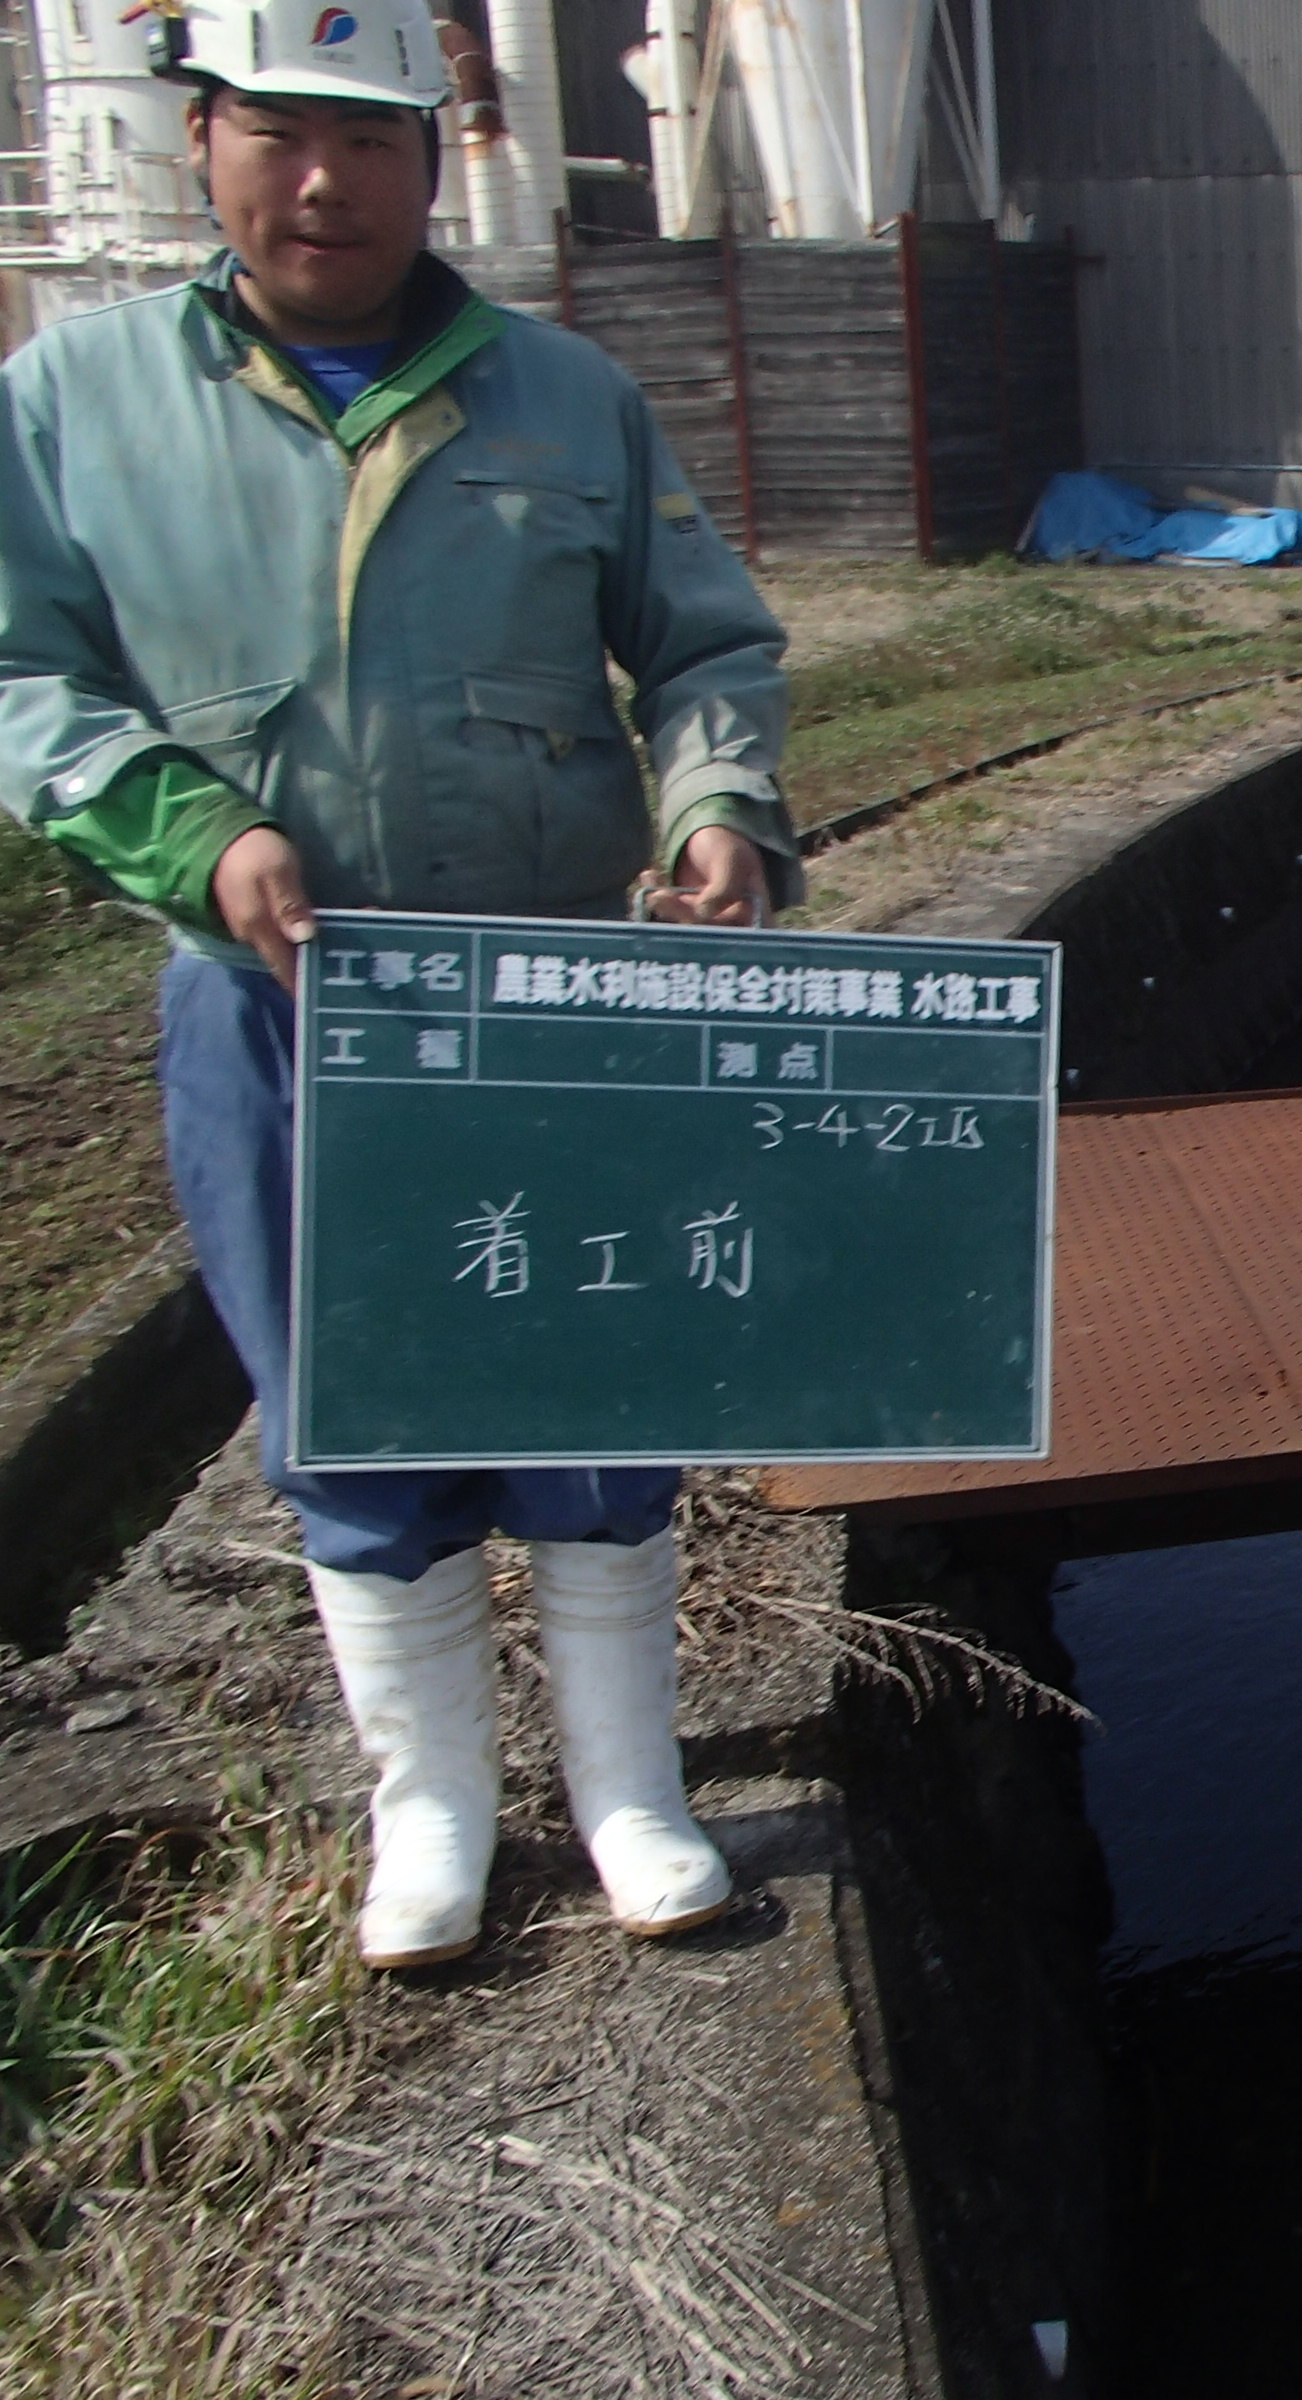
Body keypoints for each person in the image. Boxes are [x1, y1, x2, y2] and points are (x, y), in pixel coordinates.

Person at [0, 0, 798, 1969]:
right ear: (200, 139)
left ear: (435, 163)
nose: (323, 181)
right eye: (277, 133)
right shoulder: (76, 397)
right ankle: (428, 1802)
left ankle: (628, 1785)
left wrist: (718, 804)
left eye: (368, 140)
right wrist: (190, 830)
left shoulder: (566, 396)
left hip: (551, 996)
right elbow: (25, 675)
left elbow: (705, 644)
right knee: (342, 1395)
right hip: (277, 1006)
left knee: (594, 1374)